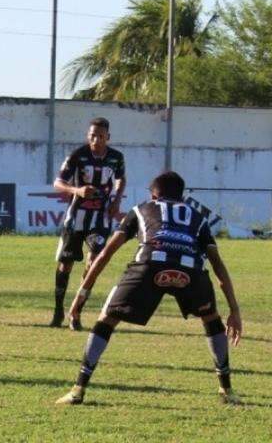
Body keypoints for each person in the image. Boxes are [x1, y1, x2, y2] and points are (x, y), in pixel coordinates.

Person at [56, 171, 242, 405]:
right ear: (181, 197)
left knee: (106, 320)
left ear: (154, 194)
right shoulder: (198, 217)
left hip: (149, 264)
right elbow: (217, 264)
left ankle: (77, 390)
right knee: (211, 319)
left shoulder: (141, 209)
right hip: (190, 271)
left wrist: (81, 296)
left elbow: (105, 254)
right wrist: (234, 310)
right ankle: (226, 391)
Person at [51, 117, 126, 330]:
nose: (96, 139)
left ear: (107, 137)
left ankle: (76, 313)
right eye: (92, 135)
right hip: (76, 218)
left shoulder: (116, 158)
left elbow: (121, 179)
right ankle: (58, 311)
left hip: (100, 219)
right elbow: (57, 182)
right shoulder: (77, 155)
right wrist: (77, 190)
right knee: (65, 265)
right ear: (88, 135)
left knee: (93, 263)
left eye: (101, 136)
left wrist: (117, 200)